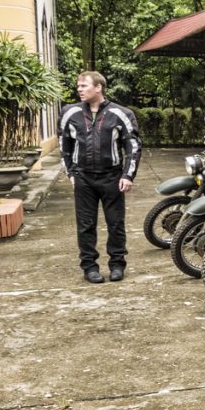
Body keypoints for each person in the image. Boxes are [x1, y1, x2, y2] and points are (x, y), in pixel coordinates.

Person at [59, 72, 142, 284]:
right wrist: (70, 172)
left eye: (84, 85)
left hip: (112, 177)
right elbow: (64, 145)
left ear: (99, 88)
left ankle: (117, 265)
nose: (79, 89)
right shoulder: (70, 112)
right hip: (83, 178)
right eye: (78, 85)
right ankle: (89, 267)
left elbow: (132, 146)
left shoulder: (121, 113)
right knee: (85, 224)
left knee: (115, 224)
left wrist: (127, 175)